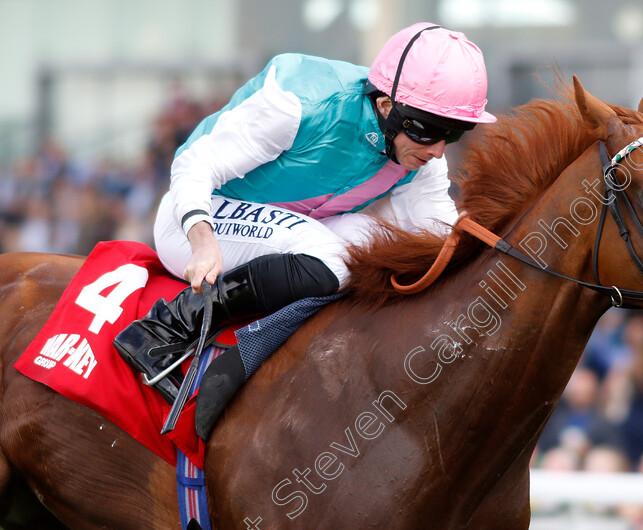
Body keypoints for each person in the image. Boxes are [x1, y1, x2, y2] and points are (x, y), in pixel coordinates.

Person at [113, 23, 496, 403]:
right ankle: (165, 328)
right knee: (335, 258)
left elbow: (440, 237)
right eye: (430, 131)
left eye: (455, 133)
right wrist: (202, 241)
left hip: (293, 230)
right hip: (202, 220)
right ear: (386, 107)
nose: (438, 150)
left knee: (386, 244)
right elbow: (193, 166)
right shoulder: (298, 104)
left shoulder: (420, 154)